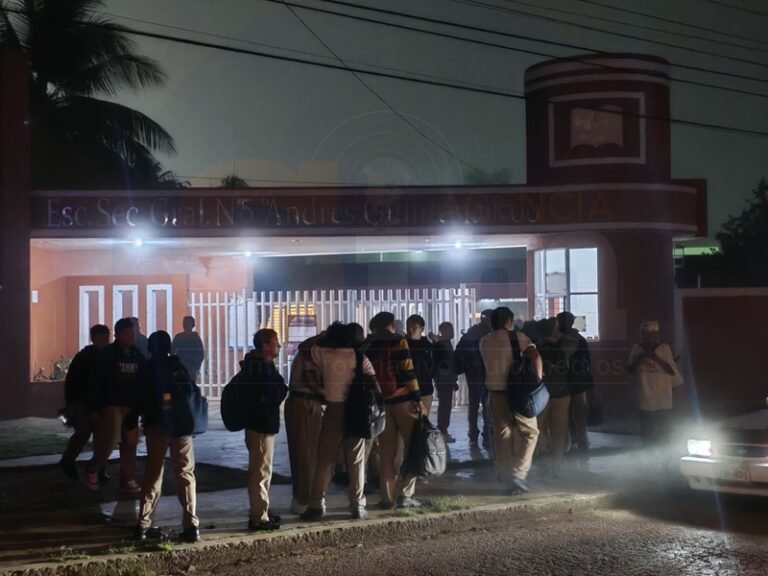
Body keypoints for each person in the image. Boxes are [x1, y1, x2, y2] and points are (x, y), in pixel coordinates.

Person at [302, 323, 375, 520]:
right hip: (357, 411)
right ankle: (357, 505)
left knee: (325, 459)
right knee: (356, 459)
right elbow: (374, 385)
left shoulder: (323, 354)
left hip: (333, 409)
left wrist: (321, 336)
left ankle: (317, 503)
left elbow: (304, 347)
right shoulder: (360, 358)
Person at [135, 331, 200, 543]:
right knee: (185, 473)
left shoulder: (146, 369)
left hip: (157, 426)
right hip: (181, 426)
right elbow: (191, 393)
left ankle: (144, 524)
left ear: (150, 348)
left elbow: (140, 398)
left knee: (153, 473)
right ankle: (191, 525)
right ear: (170, 348)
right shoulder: (178, 367)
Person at [364, 312, 426, 509]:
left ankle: (387, 497)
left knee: (387, 453)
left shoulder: (369, 344)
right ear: (391, 324)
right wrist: (418, 399)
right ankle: (406, 494)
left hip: (381, 404)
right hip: (404, 401)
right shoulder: (398, 341)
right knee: (413, 447)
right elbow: (408, 371)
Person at [480, 307, 542, 494]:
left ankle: (505, 474)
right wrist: (537, 380)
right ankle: (519, 474)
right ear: (509, 321)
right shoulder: (518, 337)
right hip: (517, 393)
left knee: (503, 434)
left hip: (494, 393)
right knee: (531, 433)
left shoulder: (484, 340)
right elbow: (535, 356)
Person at [84, 318, 146, 492]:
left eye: (133, 332)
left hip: (131, 406)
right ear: (118, 334)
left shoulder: (137, 354)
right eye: (127, 332)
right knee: (109, 441)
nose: (131, 336)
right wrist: (95, 408)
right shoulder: (108, 354)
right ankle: (93, 470)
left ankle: (127, 478)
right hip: (112, 405)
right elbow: (96, 382)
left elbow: (143, 378)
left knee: (130, 443)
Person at [239, 328, 288, 531]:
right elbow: (274, 391)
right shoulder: (259, 367)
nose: (279, 346)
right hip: (260, 424)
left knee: (262, 470)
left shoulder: (259, 364)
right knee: (260, 471)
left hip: (262, 423)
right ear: (266, 346)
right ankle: (259, 517)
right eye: (275, 342)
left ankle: (262, 510)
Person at [59, 324, 110, 481]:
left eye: (106, 337)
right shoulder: (84, 356)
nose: (104, 340)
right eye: (101, 337)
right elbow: (72, 381)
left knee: (102, 436)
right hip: (83, 402)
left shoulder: (108, 355)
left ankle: (98, 467)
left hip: (102, 402)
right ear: (93, 338)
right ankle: (69, 460)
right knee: (84, 432)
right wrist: (72, 403)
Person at [284, 331, 326, 516]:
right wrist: (331, 396)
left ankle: (302, 498)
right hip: (306, 404)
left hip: (300, 403)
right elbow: (312, 382)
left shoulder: (308, 351)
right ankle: (305, 499)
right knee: (306, 454)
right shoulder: (312, 353)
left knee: (302, 453)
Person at [627, 321, 682, 446]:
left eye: (646, 334)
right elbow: (629, 370)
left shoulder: (663, 348)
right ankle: (648, 451)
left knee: (664, 431)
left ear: (655, 335)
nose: (643, 337)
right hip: (645, 398)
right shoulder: (637, 348)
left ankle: (663, 452)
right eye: (642, 334)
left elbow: (672, 371)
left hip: (663, 398)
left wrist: (654, 357)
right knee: (647, 431)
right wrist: (640, 358)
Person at [534, 318, 571, 477]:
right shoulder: (560, 348)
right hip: (560, 393)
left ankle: (543, 467)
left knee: (540, 430)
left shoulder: (534, 348)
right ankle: (556, 467)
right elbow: (566, 370)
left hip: (540, 394)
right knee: (559, 432)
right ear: (553, 330)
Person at [556, 312, 594, 458]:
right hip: (579, 383)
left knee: (564, 417)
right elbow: (587, 363)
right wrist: (590, 384)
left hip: (562, 384)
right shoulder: (580, 340)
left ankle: (568, 446)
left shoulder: (557, 341)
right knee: (580, 419)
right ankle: (583, 446)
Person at [455, 310, 493, 449]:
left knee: (474, 403)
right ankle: (487, 434)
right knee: (487, 404)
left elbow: (459, 352)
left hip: (473, 373)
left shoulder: (471, 333)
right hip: (489, 373)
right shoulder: (493, 334)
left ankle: (473, 431)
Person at [431, 322, 458, 443]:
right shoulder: (441, 345)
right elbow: (443, 365)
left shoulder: (444, 343)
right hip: (444, 379)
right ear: (444, 331)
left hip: (445, 379)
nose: (453, 332)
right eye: (450, 329)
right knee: (445, 406)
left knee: (445, 405)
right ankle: (442, 430)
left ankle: (443, 429)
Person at [405, 315, 435, 415]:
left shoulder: (428, 346)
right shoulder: (401, 345)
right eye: (408, 327)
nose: (410, 330)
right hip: (406, 393)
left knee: (422, 421)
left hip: (425, 391)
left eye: (414, 328)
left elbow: (434, 365)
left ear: (422, 329)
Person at [172, 316, 205, 384]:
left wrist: (194, 366)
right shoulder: (178, 337)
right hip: (180, 367)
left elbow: (200, 354)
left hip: (191, 368)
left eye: (188, 323)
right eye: (185, 323)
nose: (186, 325)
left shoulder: (196, 338)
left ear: (193, 325)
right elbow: (172, 352)